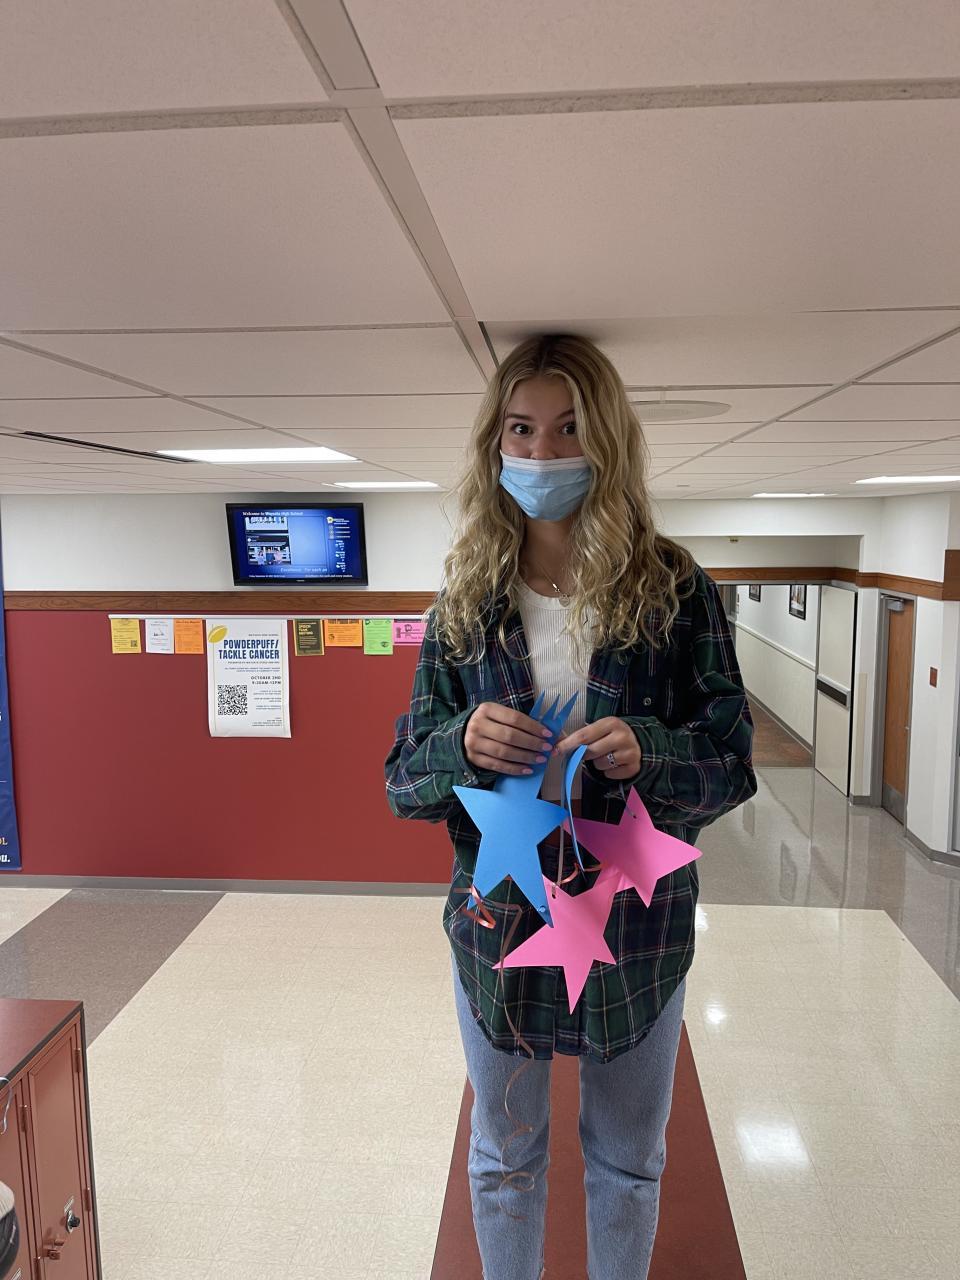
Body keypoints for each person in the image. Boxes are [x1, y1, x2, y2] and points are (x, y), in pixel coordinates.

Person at [385, 333, 756, 1280]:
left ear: (609, 441)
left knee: (627, 1164)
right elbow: (402, 779)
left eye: (568, 428)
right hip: (498, 923)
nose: (542, 453)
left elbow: (732, 764)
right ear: (495, 443)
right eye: (521, 430)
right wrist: (461, 742)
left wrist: (651, 751)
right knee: (504, 1160)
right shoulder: (466, 602)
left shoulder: (675, 591)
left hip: (637, 927)